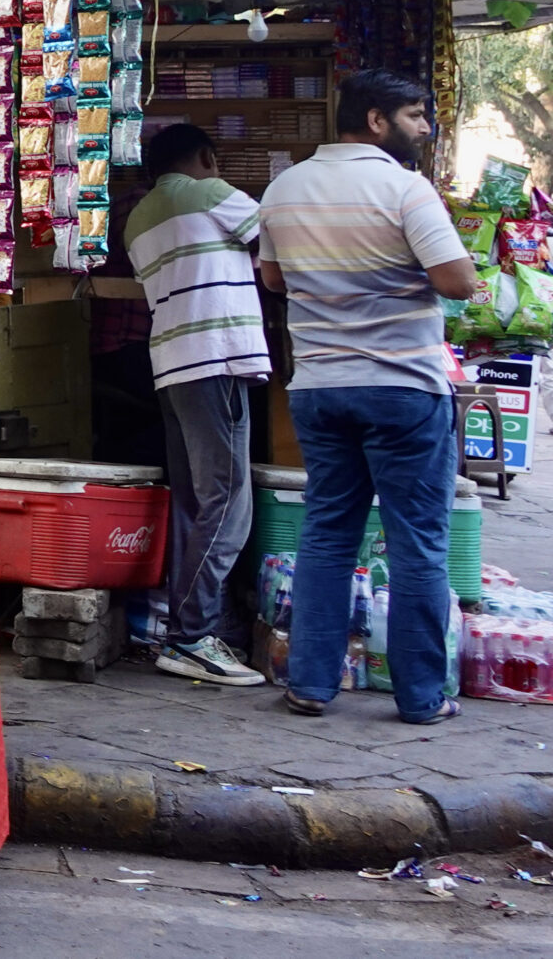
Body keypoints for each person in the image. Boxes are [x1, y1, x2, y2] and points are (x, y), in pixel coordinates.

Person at [257, 70, 481, 725]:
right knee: (417, 541)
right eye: (415, 115)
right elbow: (459, 281)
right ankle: (421, 697)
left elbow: (272, 277)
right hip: (403, 388)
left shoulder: (284, 187)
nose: (426, 128)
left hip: (322, 388)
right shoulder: (405, 189)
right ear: (376, 121)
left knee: (328, 534)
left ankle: (310, 684)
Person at [123, 123, 269, 688]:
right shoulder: (208, 192)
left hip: (174, 364)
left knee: (194, 501)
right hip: (216, 357)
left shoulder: (137, 217)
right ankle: (191, 636)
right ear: (207, 157)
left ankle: (189, 629)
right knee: (228, 500)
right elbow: (275, 240)